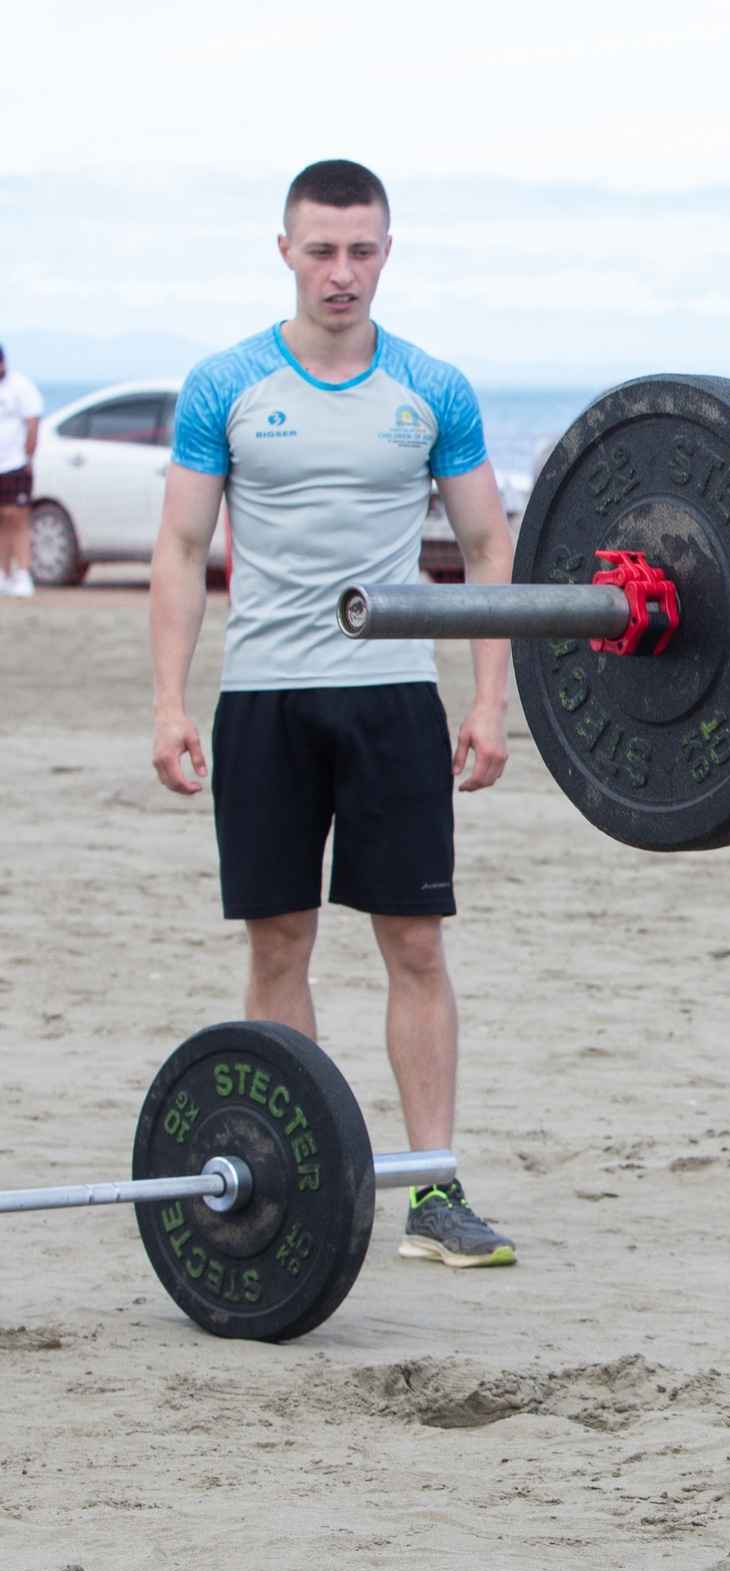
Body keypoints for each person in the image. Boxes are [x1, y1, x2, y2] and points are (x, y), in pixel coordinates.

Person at [147, 159, 521, 1269]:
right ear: (286, 253)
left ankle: (433, 1193)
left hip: (394, 699)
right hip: (264, 698)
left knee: (413, 942)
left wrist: (490, 700)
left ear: (386, 253)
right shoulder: (224, 383)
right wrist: (170, 702)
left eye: (361, 250)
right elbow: (177, 549)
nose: (341, 272)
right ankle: (292, 1176)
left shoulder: (432, 388)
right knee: (280, 943)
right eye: (321, 250)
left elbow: (489, 547)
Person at [0, 345, 42, 598]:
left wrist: (28, 455)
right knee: (1, 518)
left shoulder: (20, 387)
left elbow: (33, 421)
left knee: (17, 517)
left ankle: (23, 572)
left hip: (16, 463)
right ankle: (3, 572)